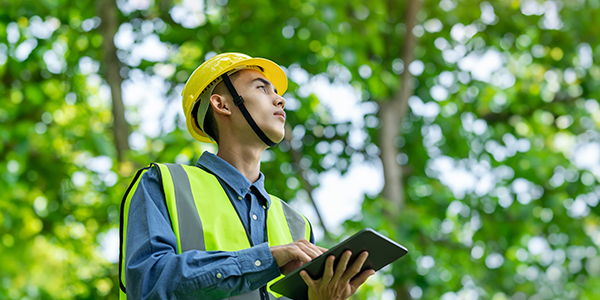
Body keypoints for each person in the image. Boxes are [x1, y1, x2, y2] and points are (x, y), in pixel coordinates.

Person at [119, 52, 375, 300]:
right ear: (222, 104)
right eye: (262, 88)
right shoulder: (164, 184)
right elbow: (148, 284)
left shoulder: (298, 225)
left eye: (277, 92)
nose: (280, 100)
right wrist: (267, 259)